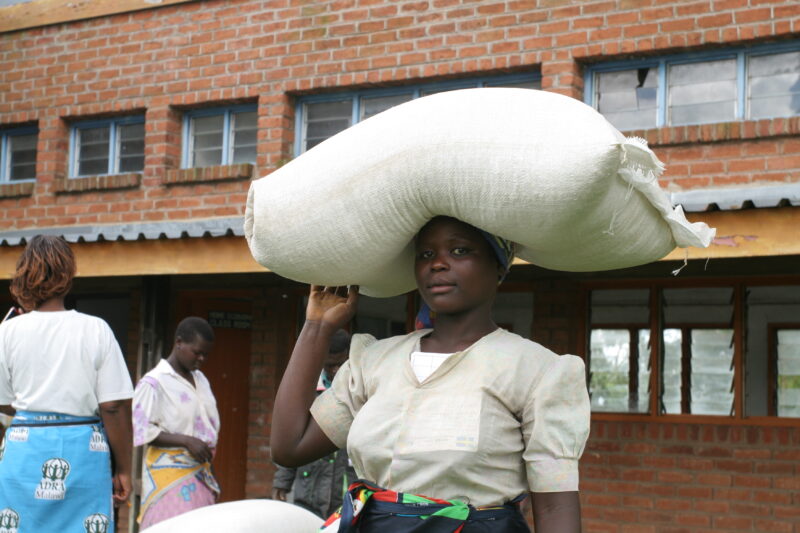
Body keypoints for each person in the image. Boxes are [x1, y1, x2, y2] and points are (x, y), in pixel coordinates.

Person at [271, 216, 591, 532]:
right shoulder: (373, 360)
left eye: (460, 251)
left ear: (498, 267)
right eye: (425, 254)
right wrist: (317, 326)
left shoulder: (536, 370)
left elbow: (554, 506)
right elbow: (290, 447)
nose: (437, 264)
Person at [0, 235, 134, 533]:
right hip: (84, 452)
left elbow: (4, 400)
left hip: (23, 452)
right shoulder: (96, 329)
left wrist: (37, 406)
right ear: (68, 275)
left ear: (25, 274)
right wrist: (124, 469)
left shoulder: (7, 332)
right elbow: (112, 407)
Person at [132, 316, 220, 529]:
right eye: (196, 352)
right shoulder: (154, 383)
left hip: (200, 473)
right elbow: (142, 431)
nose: (201, 359)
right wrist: (186, 441)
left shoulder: (201, 380)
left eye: (205, 355)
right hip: (169, 477)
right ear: (178, 342)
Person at [272, 329, 357, 519]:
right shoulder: (305, 392)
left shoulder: (360, 391)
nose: (335, 370)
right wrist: (282, 482)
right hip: (309, 490)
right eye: (329, 365)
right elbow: (291, 437)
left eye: (340, 364)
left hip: (346, 493)